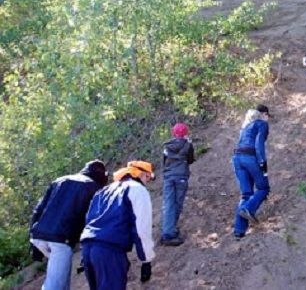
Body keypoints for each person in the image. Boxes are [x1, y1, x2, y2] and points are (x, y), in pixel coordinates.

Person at [30, 160, 109, 290]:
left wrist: (32, 240)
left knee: (60, 284)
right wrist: (86, 254)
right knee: (55, 286)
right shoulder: (92, 187)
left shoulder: (59, 180)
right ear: (100, 175)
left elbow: (38, 210)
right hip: (61, 240)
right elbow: (92, 220)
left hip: (39, 236)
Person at [80, 161, 156, 290]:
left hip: (88, 247)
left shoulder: (103, 191)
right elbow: (141, 228)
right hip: (109, 249)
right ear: (141, 174)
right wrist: (146, 260)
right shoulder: (137, 189)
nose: (147, 181)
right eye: (148, 177)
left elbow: (89, 219)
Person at [232, 104, 271, 239]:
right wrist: (262, 163)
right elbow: (258, 144)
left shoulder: (245, 127)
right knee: (263, 188)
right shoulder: (261, 124)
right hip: (250, 158)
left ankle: (239, 230)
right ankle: (248, 209)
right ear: (264, 115)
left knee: (246, 194)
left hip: (237, 158)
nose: (268, 119)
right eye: (268, 116)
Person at [160, 122, 195, 246]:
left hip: (168, 177)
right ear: (186, 133)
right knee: (177, 204)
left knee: (168, 203)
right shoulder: (188, 145)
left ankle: (167, 229)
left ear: (173, 133)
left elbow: (164, 163)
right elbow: (190, 160)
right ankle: (169, 233)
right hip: (181, 176)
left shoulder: (167, 146)